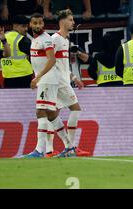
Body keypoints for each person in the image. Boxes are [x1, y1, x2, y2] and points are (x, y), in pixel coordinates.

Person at [21, 13, 72, 158]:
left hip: (48, 80)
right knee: (51, 114)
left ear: (43, 24)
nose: (38, 25)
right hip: (45, 80)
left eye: (40, 23)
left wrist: (37, 77)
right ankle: (69, 145)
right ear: (30, 25)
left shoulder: (46, 39)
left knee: (40, 112)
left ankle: (39, 150)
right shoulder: (35, 40)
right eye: (35, 23)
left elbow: (52, 60)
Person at [48, 9, 90, 157]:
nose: (73, 22)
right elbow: (48, 61)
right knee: (76, 109)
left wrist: (74, 78)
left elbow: (62, 65)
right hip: (58, 82)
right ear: (62, 21)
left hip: (63, 80)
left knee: (52, 115)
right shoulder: (55, 39)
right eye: (70, 20)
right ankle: (70, 148)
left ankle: (61, 147)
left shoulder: (65, 40)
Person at [1, 15, 33, 88]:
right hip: (24, 76)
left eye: (27, 26)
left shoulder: (2, 37)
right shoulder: (23, 40)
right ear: (15, 26)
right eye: (23, 26)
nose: (26, 29)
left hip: (8, 76)